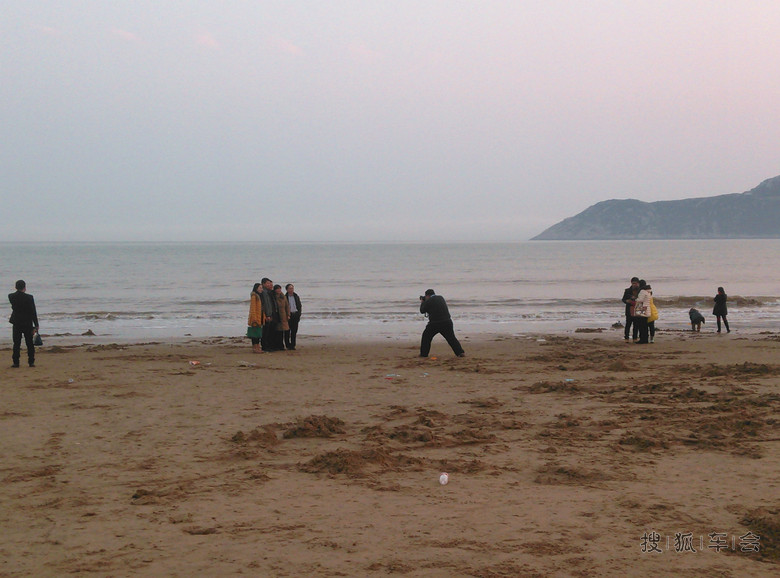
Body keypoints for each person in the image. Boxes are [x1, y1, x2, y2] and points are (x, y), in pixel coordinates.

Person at [419, 289, 465, 357]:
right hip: (447, 321)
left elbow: (422, 310)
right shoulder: (441, 297)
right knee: (451, 338)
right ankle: (460, 352)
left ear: (427, 296)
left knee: (426, 337)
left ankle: (424, 354)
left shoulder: (428, 301)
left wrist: (422, 302)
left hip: (435, 323)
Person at [9, 280, 40, 368]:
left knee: (16, 343)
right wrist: (36, 324)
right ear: (24, 287)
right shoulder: (29, 297)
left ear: (16, 287)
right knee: (29, 343)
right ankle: (31, 362)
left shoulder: (11, 296)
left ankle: (16, 362)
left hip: (16, 322)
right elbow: (33, 311)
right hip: (27, 322)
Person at [259, 278, 279, 352]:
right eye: (267, 283)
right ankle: (265, 346)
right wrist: (268, 315)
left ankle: (270, 345)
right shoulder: (264, 292)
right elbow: (266, 305)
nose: (269, 284)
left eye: (270, 283)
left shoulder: (269, 292)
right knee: (266, 332)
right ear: (263, 284)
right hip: (267, 315)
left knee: (270, 331)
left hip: (272, 314)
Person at [247, 283, 264, 354]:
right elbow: (253, 308)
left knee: (258, 333)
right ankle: (255, 348)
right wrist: (254, 319)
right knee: (255, 334)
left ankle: (257, 347)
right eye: (260, 288)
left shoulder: (259, 296)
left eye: (262, 288)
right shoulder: (254, 296)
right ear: (256, 288)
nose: (261, 289)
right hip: (255, 318)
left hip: (259, 317)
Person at [621, 277, 640, 341]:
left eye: (635, 283)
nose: (634, 285)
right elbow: (623, 299)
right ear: (631, 283)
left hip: (637, 309)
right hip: (629, 309)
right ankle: (626, 336)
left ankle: (635, 337)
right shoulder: (627, 290)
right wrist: (627, 301)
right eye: (633, 283)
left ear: (638, 283)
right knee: (628, 324)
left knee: (636, 324)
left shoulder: (640, 291)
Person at [633, 280, 651, 344]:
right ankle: (645, 339)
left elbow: (640, 300)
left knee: (641, 325)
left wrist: (635, 299)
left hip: (642, 309)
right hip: (646, 308)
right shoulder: (648, 291)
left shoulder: (642, 291)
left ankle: (642, 339)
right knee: (645, 326)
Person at [284, 284, 302, 350]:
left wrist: (299, 314)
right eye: (290, 288)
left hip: (295, 315)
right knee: (287, 331)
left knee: (294, 331)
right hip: (289, 315)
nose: (291, 290)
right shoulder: (285, 297)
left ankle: (293, 345)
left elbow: (299, 306)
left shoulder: (296, 296)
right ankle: (287, 345)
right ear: (287, 289)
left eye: (292, 288)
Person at [274, 284, 290, 350]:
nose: (279, 290)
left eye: (280, 289)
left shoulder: (283, 296)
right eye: (277, 289)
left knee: (286, 330)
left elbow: (287, 306)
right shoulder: (274, 297)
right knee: (279, 332)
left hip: (284, 315)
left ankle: (287, 344)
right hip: (277, 316)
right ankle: (280, 345)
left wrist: (288, 314)